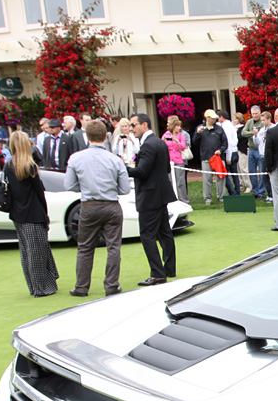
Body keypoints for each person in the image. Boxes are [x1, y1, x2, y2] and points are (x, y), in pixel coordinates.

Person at [64, 119, 130, 298]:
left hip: (89, 205)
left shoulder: (76, 158)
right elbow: (125, 188)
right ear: (105, 136)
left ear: (86, 136)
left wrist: (86, 187)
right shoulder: (115, 159)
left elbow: (69, 184)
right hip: (111, 205)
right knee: (113, 247)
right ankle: (111, 285)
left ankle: (81, 286)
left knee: (85, 247)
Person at [4, 131, 58, 297]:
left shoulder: (8, 166)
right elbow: (39, 194)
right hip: (33, 213)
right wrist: (45, 214)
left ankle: (35, 286)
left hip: (18, 214)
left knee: (27, 252)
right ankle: (41, 287)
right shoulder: (30, 166)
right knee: (37, 251)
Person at [126, 113, 177, 285]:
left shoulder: (149, 145)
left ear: (144, 125)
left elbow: (141, 172)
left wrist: (121, 168)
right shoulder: (158, 142)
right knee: (164, 232)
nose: (132, 129)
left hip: (150, 196)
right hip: (159, 194)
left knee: (147, 235)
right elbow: (165, 169)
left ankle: (157, 273)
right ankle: (169, 268)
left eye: (134, 125)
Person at [192, 109, 228, 205]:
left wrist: (220, 150)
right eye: (212, 118)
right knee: (207, 179)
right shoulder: (200, 129)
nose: (214, 120)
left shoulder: (219, 129)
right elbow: (194, 143)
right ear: (207, 118)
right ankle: (207, 198)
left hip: (218, 158)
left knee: (221, 178)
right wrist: (197, 133)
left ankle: (221, 197)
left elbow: (225, 143)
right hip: (206, 157)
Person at [161, 115, 190, 204]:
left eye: (179, 126)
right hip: (169, 160)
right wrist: (164, 140)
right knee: (170, 181)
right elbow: (162, 146)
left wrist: (176, 141)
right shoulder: (166, 135)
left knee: (180, 182)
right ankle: (172, 200)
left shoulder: (181, 136)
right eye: (177, 126)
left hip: (179, 160)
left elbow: (183, 147)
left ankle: (184, 200)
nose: (179, 128)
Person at [244, 105, 267, 201]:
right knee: (251, 172)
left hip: (259, 150)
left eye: (256, 113)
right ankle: (255, 191)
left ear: (259, 113)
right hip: (251, 149)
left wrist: (256, 134)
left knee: (262, 171)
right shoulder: (249, 122)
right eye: (253, 113)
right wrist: (252, 133)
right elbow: (243, 133)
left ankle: (261, 192)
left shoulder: (262, 122)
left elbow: (262, 134)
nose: (254, 115)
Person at [217, 109, 240, 196]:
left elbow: (228, 142)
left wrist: (228, 157)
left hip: (230, 152)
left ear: (221, 117)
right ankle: (237, 191)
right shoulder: (231, 125)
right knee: (235, 175)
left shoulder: (226, 126)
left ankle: (233, 192)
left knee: (226, 175)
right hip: (234, 151)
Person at [235, 112, 252, 195]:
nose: (234, 120)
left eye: (235, 119)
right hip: (237, 151)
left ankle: (248, 186)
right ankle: (240, 186)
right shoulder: (235, 128)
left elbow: (240, 138)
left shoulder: (243, 129)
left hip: (243, 151)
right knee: (238, 169)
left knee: (243, 169)